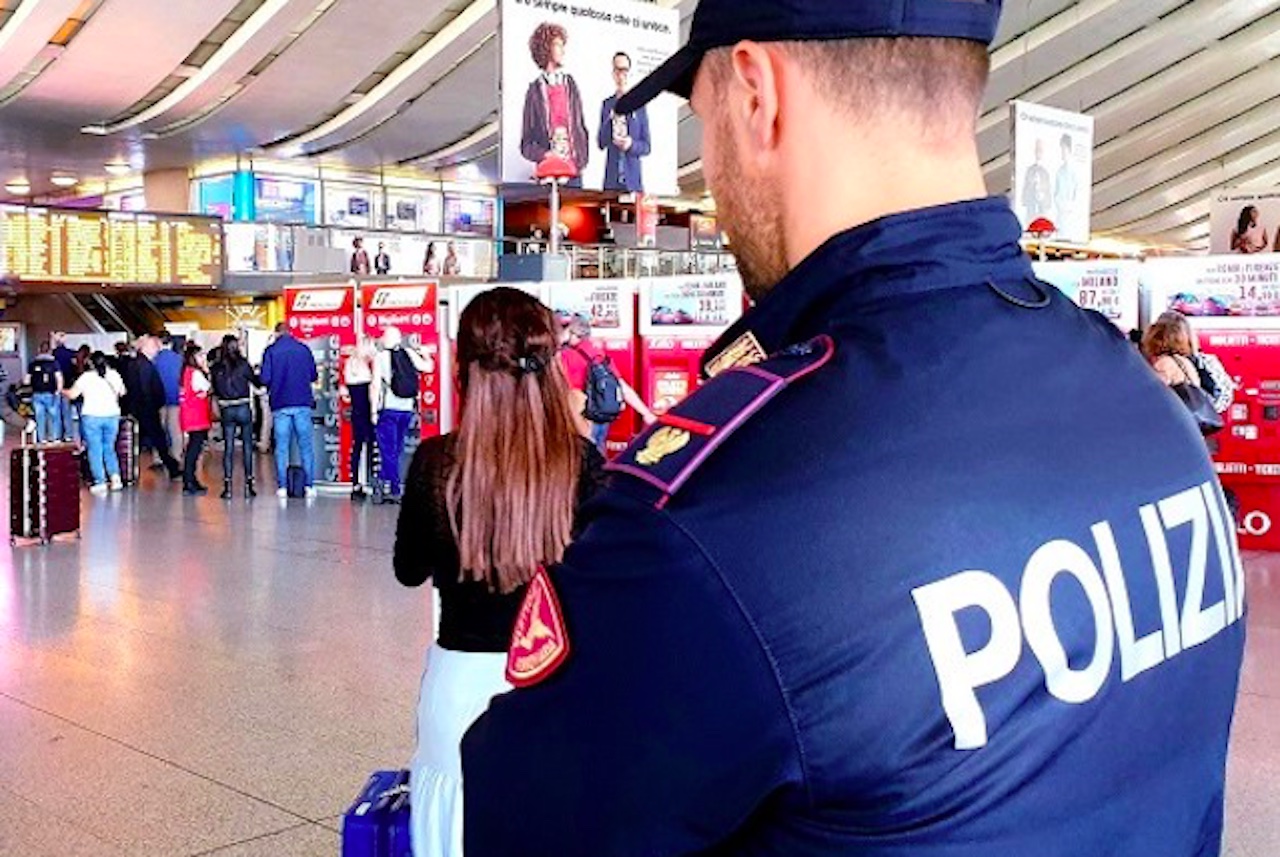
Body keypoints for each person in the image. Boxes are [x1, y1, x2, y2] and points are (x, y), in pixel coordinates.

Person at [461, 3, 1246, 856]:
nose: (710, 171)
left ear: (757, 91)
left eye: (703, 118)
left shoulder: (717, 515)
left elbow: (530, 826)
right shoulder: (1140, 401)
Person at [394, 287, 607, 857]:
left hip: (459, 689)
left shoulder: (438, 463)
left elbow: (408, 569)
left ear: (465, 367)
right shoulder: (581, 463)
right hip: (556, 683)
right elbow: (604, 583)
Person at [558, 314, 654, 452]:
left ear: (570, 333)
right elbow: (621, 386)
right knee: (598, 458)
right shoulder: (597, 353)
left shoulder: (565, 356)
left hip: (581, 419)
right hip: (601, 416)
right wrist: (646, 413)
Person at [520, 21, 589, 187]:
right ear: (546, 48)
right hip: (548, 173)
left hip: (573, 172)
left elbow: (581, 127)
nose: (563, 50)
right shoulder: (535, 91)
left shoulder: (571, 85)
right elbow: (526, 144)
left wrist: (582, 159)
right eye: (558, 45)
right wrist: (546, 154)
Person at [371, 326, 434, 504]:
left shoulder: (380, 357)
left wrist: (374, 410)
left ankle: (394, 488)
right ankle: (384, 483)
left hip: (388, 409)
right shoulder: (409, 353)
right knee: (396, 450)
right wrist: (426, 354)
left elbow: (375, 385)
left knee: (387, 450)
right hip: (406, 409)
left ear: (386, 339)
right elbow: (427, 368)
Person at [260, 322, 319, 499]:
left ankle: (283, 487)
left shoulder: (271, 351)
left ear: (276, 334)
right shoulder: (303, 349)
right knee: (306, 447)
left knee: (282, 448)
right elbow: (314, 375)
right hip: (302, 403)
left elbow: (265, 378)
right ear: (290, 333)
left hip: (280, 404)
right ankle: (309, 486)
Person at [64, 351, 126, 495]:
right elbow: (122, 392)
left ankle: (100, 481)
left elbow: (73, 394)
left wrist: (61, 390)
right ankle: (115, 478)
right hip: (112, 415)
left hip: (92, 416)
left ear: (90, 363)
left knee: (95, 449)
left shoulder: (86, 377)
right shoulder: (114, 375)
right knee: (109, 447)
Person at [211, 335, 261, 499]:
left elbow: (215, 389)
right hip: (243, 406)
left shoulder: (217, 367)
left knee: (229, 448)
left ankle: (228, 487)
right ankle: (249, 485)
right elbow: (257, 382)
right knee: (247, 446)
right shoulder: (243, 364)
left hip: (226, 408)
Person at [129, 336, 182, 481]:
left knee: (147, 440)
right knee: (159, 439)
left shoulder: (137, 363)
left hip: (141, 408)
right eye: (154, 346)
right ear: (145, 348)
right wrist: (153, 405)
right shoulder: (145, 365)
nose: (157, 349)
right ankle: (173, 468)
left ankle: (171, 467)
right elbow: (146, 388)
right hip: (147, 409)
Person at [598, 51, 651, 193]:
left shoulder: (639, 105)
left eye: (625, 70)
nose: (621, 74)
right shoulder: (607, 104)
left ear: (630, 73)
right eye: (617, 70)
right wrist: (611, 117)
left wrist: (631, 144)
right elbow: (601, 142)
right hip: (611, 182)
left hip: (633, 182)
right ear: (613, 73)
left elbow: (646, 146)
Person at [343, 336, 377, 501]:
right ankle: (369, 482)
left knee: (357, 446)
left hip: (357, 413)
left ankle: (356, 482)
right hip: (368, 412)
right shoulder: (365, 367)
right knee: (369, 446)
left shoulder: (350, 364)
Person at [179, 342, 213, 496]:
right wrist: (206, 370)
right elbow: (208, 388)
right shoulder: (196, 373)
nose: (202, 358)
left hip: (188, 414)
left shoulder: (185, 372)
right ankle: (189, 481)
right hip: (197, 416)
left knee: (192, 448)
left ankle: (190, 480)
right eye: (200, 355)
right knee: (194, 449)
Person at [154, 332, 185, 460]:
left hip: (159, 399)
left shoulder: (154, 359)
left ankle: (159, 457)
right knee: (175, 430)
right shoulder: (179, 359)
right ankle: (177, 455)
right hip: (175, 398)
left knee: (160, 430)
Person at [24, 341, 62, 443]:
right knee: (53, 416)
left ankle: (42, 439)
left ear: (39, 350)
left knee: (40, 417)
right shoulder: (54, 363)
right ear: (50, 351)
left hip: (36, 394)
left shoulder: (32, 364)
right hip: (51, 393)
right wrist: (58, 391)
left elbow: (26, 381)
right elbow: (59, 378)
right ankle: (54, 438)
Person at [51, 331, 79, 443]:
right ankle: (68, 435)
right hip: (67, 386)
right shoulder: (70, 353)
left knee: (56, 413)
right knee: (66, 412)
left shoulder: (53, 355)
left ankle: (57, 435)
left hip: (54, 387)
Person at [1021, 137, 1053, 224]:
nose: (1038, 152)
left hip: (1042, 214)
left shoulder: (1046, 173)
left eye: (1040, 150)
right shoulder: (1030, 170)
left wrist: (1042, 196)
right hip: (1031, 213)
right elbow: (1024, 193)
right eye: (1037, 150)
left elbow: (1049, 197)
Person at [1053, 133, 1078, 236]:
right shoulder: (1059, 171)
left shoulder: (1075, 172)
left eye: (1063, 149)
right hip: (1061, 217)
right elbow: (1056, 194)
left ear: (1068, 149)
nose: (1061, 152)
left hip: (1070, 217)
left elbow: (1077, 195)